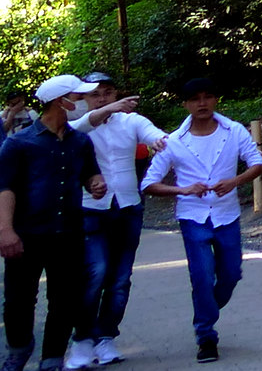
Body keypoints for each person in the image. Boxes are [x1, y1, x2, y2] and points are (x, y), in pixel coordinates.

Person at [140, 81, 262, 364]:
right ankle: (205, 335)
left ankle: (204, 311)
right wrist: (181, 190)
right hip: (193, 216)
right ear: (185, 104)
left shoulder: (234, 132)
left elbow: (257, 162)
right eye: (195, 99)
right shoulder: (174, 141)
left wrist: (235, 181)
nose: (202, 103)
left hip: (226, 214)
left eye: (208, 97)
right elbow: (149, 183)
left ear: (216, 99)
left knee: (231, 274)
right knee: (202, 276)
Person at [0, 76, 105, 371]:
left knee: (64, 300)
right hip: (26, 235)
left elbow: (89, 174)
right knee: (18, 301)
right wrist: (5, 231)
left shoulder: (81, 142)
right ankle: (19, 347)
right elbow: (4, 188)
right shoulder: (18, 143)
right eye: (79, 97)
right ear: (62, 102)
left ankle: (52, 359)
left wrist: (95, 182)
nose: (84, 102)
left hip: (69, 234)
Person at [64, 77, 166, 368]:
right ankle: (82, 341)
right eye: (94, 94)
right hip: (90, 209)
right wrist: (108, 109)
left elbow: (152, 134)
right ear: (83, 98)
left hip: (128, 206)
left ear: (116, 93)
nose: (101, 98)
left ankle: (106, 336)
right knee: (95, 272)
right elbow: (78, 128)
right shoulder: (77, 125)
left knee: (120, 279)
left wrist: (162, 142)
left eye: (107, 92)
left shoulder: (131, 121)